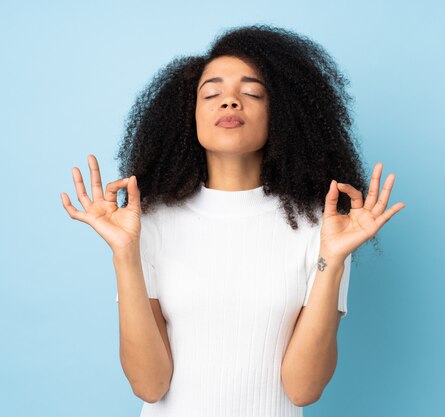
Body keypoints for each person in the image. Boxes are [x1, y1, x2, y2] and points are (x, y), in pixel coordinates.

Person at [60, 24, 405, 417]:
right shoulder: (146, 222)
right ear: (187, 116)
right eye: (212, 93)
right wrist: (124, 253)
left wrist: (332, 259)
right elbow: (149, 384)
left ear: (283, 115)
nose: (229, 102)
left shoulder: (324, 227)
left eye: (252, 92)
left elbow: (303, 389)